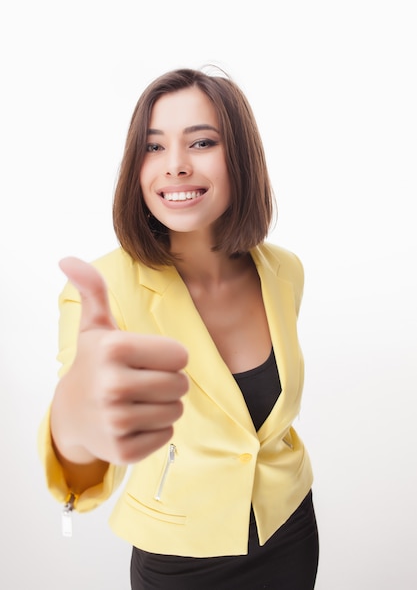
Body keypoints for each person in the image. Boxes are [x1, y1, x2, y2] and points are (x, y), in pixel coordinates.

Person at [38, 67, 319, 589]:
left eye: (202, 142)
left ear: (240, 156)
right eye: (153, 147)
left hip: (290, 529)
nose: (175, 166)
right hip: (179, 559)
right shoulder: (102, 288)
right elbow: (85, 442)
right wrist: (75, 423)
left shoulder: (283, 271)